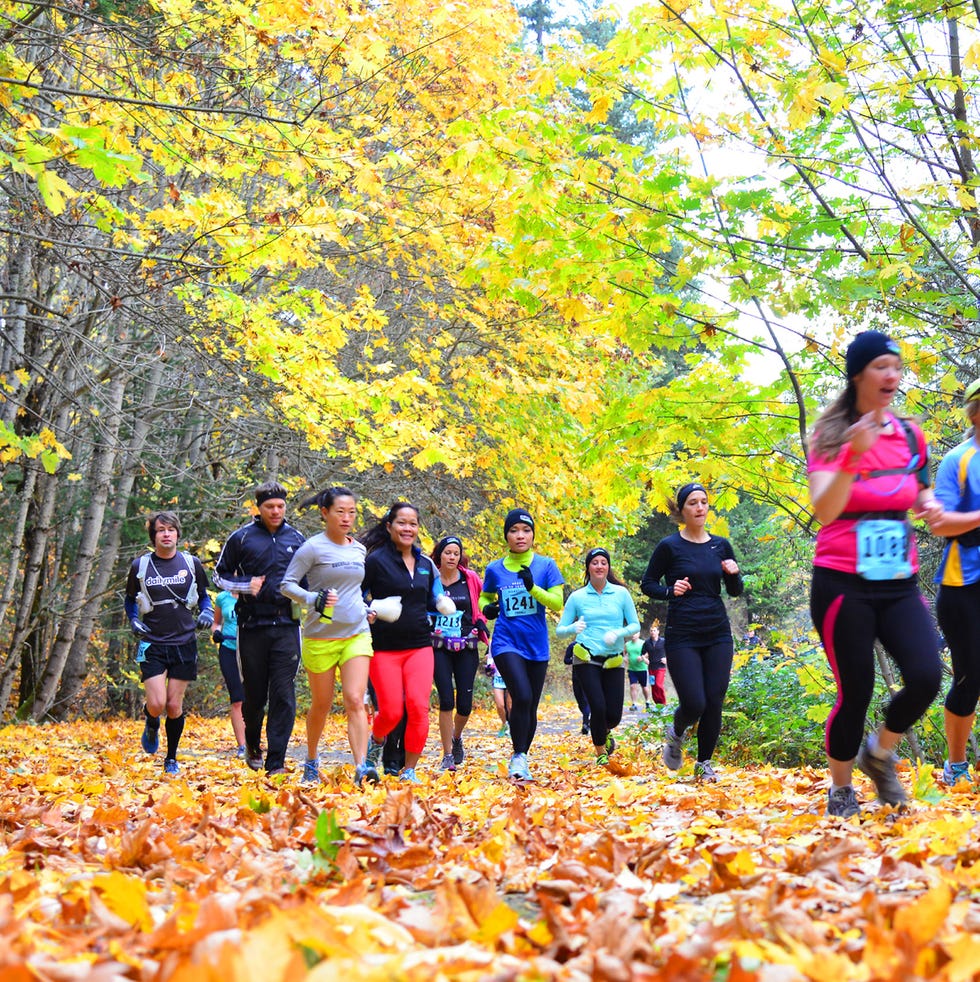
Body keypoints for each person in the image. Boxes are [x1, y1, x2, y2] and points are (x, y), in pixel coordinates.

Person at [807, 330, 943, 817]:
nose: (893, 375)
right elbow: (825, 510)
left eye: (897, 366)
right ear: (859, 374)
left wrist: (931, 506)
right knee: (856, 690)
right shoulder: (829, 436)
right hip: (842, 582)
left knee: (927, 676)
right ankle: (841, 788)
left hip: (898, 582)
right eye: (882, 366)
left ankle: (879, 754)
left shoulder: (910, 434)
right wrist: (853, 455)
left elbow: (920, 488)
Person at [640, 483, 743, 783]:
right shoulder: (670, 546)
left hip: (718, 632)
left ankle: (704, 763)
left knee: (715, 699)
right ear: (682, 511)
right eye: (693, 503)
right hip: (683, 633)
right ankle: (676, 731)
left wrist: (735, 574)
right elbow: (648, 583)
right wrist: (671, 590)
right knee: (695, 702)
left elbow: (735, 592)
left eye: (704, 502)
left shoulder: (721, 545)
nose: (700, 508)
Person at [280, 486, 378, 786]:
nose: (347, 518)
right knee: (321, 705)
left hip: (356, 634)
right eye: (340, 512)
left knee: (355, 700)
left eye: (352, 512)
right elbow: (287, 585)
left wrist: (366, 608)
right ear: (325, 513)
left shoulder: (359, 549)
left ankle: (362, 767)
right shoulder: (312, 548)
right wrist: (313, 599)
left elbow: (356, 590)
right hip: (319, 637)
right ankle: (311, 758)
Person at [214, 482, 306, 776]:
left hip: (287, 625)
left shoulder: (298, 538)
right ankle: (253, 744)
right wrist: (244, 585)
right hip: (252, 625)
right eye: (270, 507)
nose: (276, 511)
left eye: (280, 506)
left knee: (284, 693)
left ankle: (276, 762)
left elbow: (309, 578)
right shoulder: (241, 538)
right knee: (254, 696)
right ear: (259, 508)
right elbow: (218, 575)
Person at [361, 502, 454, 783]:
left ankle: (409, 770)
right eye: (402, 522)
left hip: (420, 645)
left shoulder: (426, 564)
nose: (407, 528)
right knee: (390, 711)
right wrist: (371, 609)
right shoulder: (375, 560)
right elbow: (359, 595)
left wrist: (441, 603)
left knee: (418, 706)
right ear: (389, 526)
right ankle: (375, 743)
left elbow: (433, 598)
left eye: (412, 523)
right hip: (384, 648)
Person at [920, 378, 980, 785]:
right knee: (970, 677)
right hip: (964, 588)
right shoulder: (958, 459)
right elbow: (938, 522)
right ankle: (955, 766)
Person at [124, 511, 213, 776]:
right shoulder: (140, 566)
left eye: (171, 529)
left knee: (174, 706)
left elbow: (205, 597)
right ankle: (151, 721)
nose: (166, 534)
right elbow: (130, 600)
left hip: (184, 642)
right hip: (153, 642)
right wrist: (133, 620)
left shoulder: (191, 563)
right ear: (153, 536)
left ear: (177, 534)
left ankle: (171, 759)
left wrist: (206, 612)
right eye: (161, 530)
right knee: (157, 703)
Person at [480, 508, 564, 780]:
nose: (520, 535)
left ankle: (522, 756)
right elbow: (484, 599)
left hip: (536, 645)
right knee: (523, 696)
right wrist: (488, 609)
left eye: (526, 530)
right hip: (506, 642)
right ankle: (518, 756)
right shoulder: (495, 568)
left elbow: (557, 602)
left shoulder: (546, 565)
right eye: (514, 530)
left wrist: (532, 588)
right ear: (506, 535)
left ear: (532, 535)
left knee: (530, 706)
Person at [556, 548, 640, 767]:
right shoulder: (578, 597)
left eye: (604, 562)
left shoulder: (621, 594)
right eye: (595, 562)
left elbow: (635, 625)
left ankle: (605, 731)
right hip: (585, 656)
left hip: (613, 658)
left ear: (608, 567)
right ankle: (601, 753)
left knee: (614, 714)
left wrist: (619, 633)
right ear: (588, 567)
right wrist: (573, 627)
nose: (600, 566)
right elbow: (560, 630)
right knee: (598, 706)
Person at [431, 536, 490, 772]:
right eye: (448, 553)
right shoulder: (431, 579)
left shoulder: (470, 578)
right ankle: (447, 755)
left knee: (464, 705)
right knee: (446, 699)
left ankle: (456, 737)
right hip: (439, 645)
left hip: (467, 644)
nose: (452, 557)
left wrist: (482, 621)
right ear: (440, 555)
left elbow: (481, 605)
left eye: (456, 553)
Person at [211, 589, 246, 757]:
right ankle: (243, 746)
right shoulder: (222, 597)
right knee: (237, 699)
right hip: (228, 649)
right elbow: (216, 622)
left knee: (253, 698)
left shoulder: (255, 595)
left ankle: (254, 740)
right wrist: (216, 631)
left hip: (250, 650)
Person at [564, 642, 591, 734]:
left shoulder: (590, 645)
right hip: (576, 677)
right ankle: (588, 720)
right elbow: (566, 660)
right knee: (580, 702)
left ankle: (585, 725)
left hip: (588, 676)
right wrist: (575, 660)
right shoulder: (572, 646)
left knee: (586, 700)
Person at [485, 654, 512, 738]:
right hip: (497, 677)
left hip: (511, 675)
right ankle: (505, 724)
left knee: (510, 706)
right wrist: (489, 665)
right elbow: (489, 656)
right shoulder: (492, 641)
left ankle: (512, 726)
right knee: (500, 705)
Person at [625, 632, 652, 711]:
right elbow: (625, 653)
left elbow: (648, 652)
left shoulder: (643, 643)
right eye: (632, 633)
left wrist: (642, 657)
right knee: (632, 686)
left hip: (642, 668)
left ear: (639, 634)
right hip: (632, 669)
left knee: (644, 687)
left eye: (635, 633)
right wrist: (625, 658)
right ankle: (634, 704)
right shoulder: (627, 644)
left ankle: (647, 701)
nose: (633, 635)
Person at [643, 624, 667, 705]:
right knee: (653, 686)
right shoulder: (647, 642)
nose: (652, 632)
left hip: (660, 667)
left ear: (658, 632)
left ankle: (663, 703)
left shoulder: (663, 641)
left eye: (654, 630)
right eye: (651, 631)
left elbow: (671, 650)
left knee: (658, 684)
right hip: (651, 668)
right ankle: (657, 704)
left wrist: (667, 659)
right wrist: (645, 659)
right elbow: (642, 653)